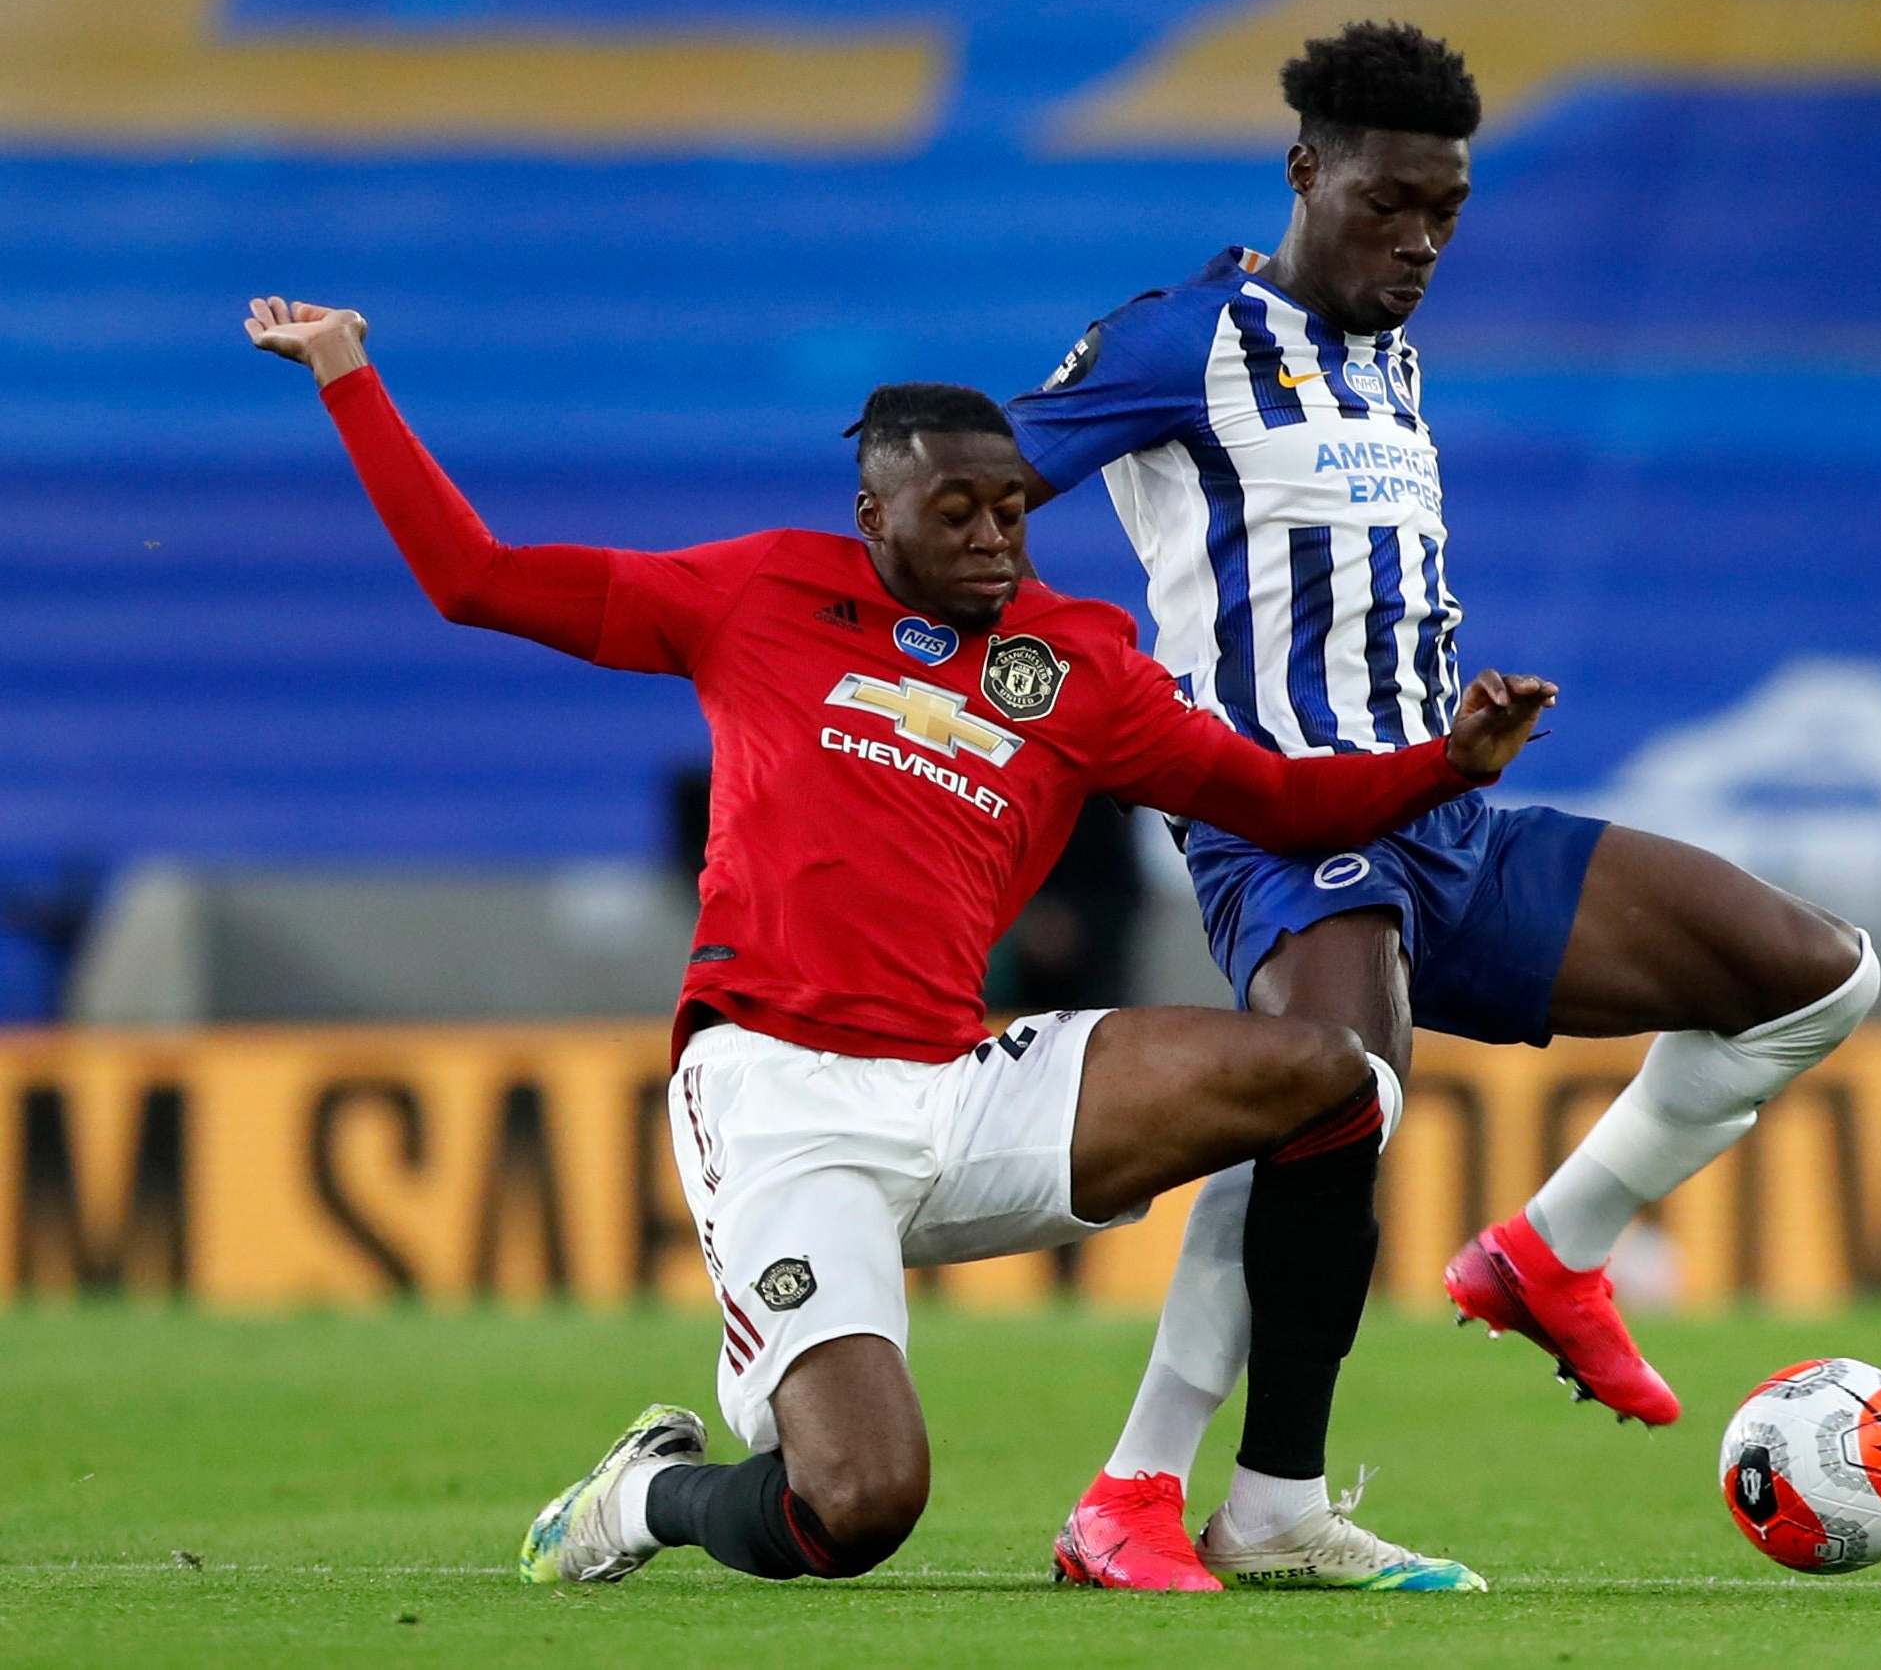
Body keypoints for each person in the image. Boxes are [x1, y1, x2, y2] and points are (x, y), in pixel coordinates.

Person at [246, 296, 1554, 1593]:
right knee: (858, 1507)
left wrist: (1448, 762)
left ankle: (1271, 1503)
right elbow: (476, 577)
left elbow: (1276, 799)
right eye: (959, 513)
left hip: (967, 1084)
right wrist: (347, 374)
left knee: (1329, 1077)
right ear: (873, 517)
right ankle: (642, 1493)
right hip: (781, 1097)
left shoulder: (1077, 663)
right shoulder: (756, 590)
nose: (996, 538)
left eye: (1012, 510)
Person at [1002, 20, 1881, 1591]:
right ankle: (1157, 1493)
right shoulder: (1179, 341)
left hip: (1447, 815)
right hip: (1284, 817)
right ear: (1304, 172)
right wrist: (1056, 676)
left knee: (1814, 974)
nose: (1418, 244)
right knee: (1333, 1079)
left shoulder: (1387, 356)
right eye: (1389, 203)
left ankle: (1553, 1249)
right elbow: (970, 489)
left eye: (1446, 216)